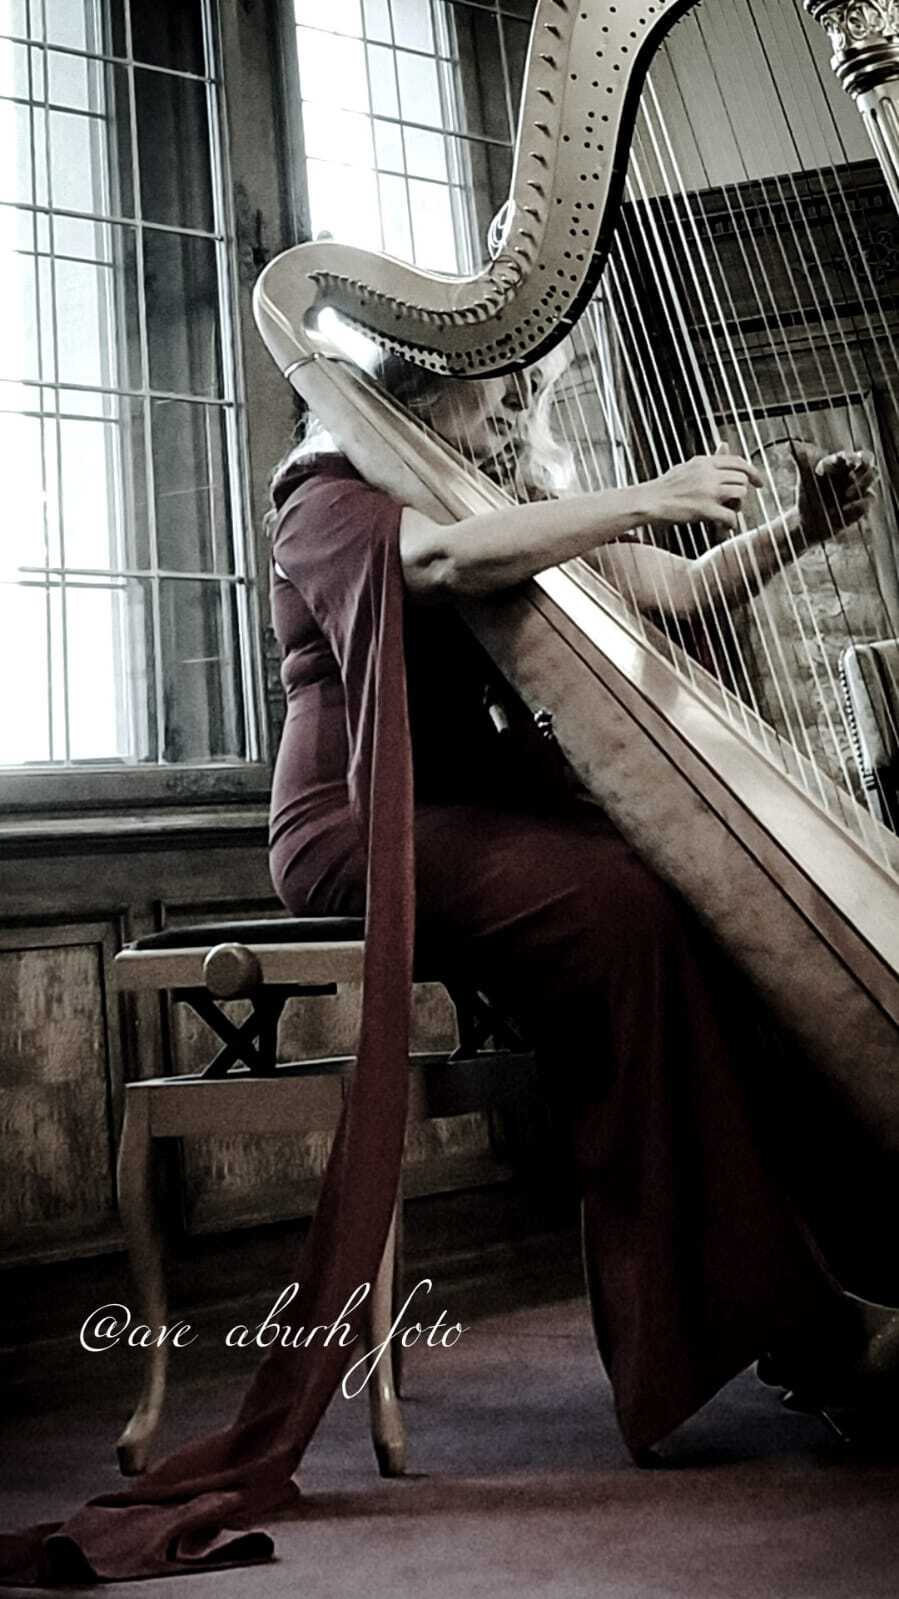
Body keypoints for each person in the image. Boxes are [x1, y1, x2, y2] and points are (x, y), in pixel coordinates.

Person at [267, 347, 891, 1462]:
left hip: (482, 808)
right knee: (621, 909)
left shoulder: (497, 500)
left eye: (527, 385)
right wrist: (645, 495)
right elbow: (443, 560)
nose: (517, 403)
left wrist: (794, 530)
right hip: (358, 817)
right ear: (420, 389)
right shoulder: (326, 496)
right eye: (498, 381)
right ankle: (802, 1332)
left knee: (705, 897)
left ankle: (837, 1275)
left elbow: (677, 588)